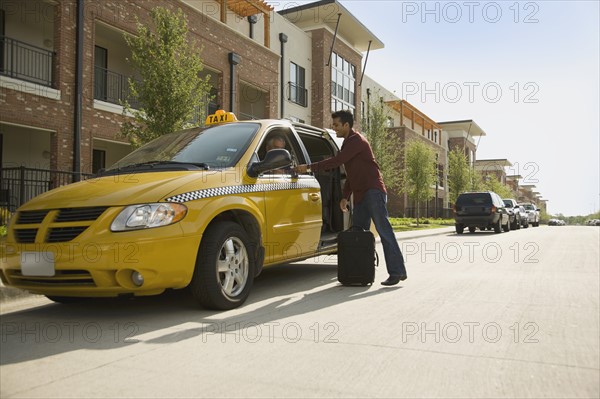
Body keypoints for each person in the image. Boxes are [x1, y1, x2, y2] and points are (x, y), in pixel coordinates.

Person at [293, 110, 407, 286]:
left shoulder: (357, 141)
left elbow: (336, 162)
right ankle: (359, 272)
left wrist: (308, 167)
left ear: (346, 125)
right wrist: (345, 197)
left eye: (337, 125)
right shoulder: (347, 144)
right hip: (361, 195)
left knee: (384, 231)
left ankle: (397, 271)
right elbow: (351, 173)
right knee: (357, 234)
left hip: (373, 192)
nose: (334, 128)